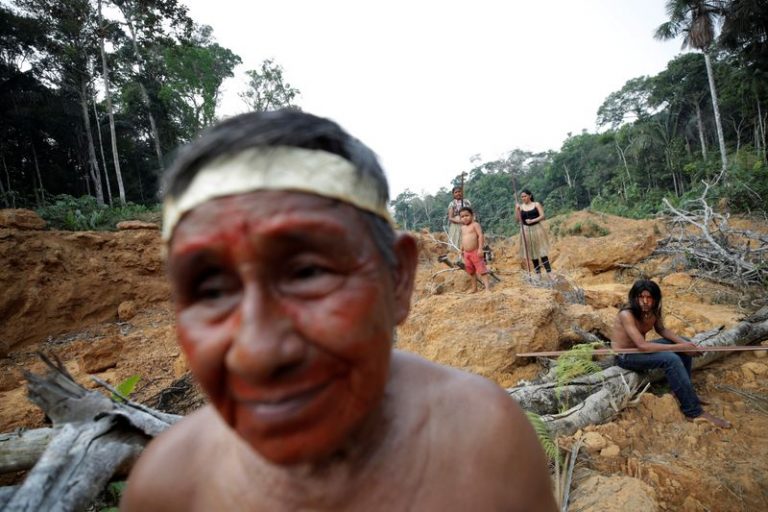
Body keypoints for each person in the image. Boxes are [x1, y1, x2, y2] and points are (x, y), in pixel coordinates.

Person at [121, 110, 557, 511]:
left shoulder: (484, 447)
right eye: (211, 290)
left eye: (309, 272)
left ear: (398, 280)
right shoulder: (167, 489)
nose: (258, 351)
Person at [611, 279, 731, 429]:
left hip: (640, 350)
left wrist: (685, 344)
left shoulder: (653, 310)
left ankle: (681, 393)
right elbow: (642, 345)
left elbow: (661, 330)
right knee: (671, 359)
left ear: (655, 299)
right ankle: (693, 411)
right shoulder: (627, 314)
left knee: (683, 342)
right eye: (641, 297)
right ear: (634, 297)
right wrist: (680, 347)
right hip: (626, 356)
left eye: (649, 298)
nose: (645, 301)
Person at [515, 189, 551, 276]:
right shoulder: (520, 207)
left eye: (525, 196)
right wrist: (516, 209)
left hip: (537, 229)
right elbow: (518, 220)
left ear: (530, 196)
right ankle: (538, 274)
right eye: (522, 197)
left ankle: (550, 273)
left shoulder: (536, 204)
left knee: (542, 251)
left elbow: (543, 216)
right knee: (532, 253)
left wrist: (533, 220)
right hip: (526, 231)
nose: (523, 198)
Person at [459, 206, 490, 293]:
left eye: (467, 215)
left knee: (482, 270)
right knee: (471, 271)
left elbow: (480, 235)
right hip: (466, 253)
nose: (464, 218)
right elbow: (463, 238)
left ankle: (487, 288)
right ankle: (474, 288)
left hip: (475, 252)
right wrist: (461, 249)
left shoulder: (475, 225)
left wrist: (480, 248)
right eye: (462, 216)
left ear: (472, 215)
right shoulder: (462, 228)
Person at [447, 186, 471, 254]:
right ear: (453, 194)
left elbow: (471, 213)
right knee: (456, 242)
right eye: (456, 192)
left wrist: (468, 220)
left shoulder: (466, 202)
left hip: (467, 224)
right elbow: (450, 218)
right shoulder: (452, 204)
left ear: (462, 192)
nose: (458, 193)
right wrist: (460, 221)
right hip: (456, 226)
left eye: (459, 192)